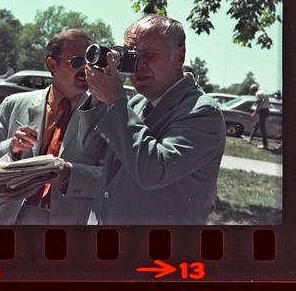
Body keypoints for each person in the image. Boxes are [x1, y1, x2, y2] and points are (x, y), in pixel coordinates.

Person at [78, 14, 226, 225]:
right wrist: (98, 96)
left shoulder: (202, 112)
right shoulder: (136, 103)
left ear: (179, 56)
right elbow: (92, 150)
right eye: (133, 56)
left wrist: (115, 101)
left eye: (150, 55)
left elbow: (154, 172)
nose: (139, 66)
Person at [0, 29, 103, 225]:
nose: (86, 68)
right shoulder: (14, 104)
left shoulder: (103, 112)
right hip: (15, 221)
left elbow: (114, 181)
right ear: (52, 64)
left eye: (90, 60)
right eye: (77, 61)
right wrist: (11, 147)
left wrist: (71, 175)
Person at [248, 83, 270, 149]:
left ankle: (265, 145)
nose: (251, 92)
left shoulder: (257, 94)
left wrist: (254, 112)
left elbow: (258, 103)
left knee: (262, 128)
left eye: (251, 90)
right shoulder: (263, 92)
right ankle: (250, 138)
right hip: (266, 110)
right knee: (256, 125)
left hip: (262, 111)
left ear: (253, 90)